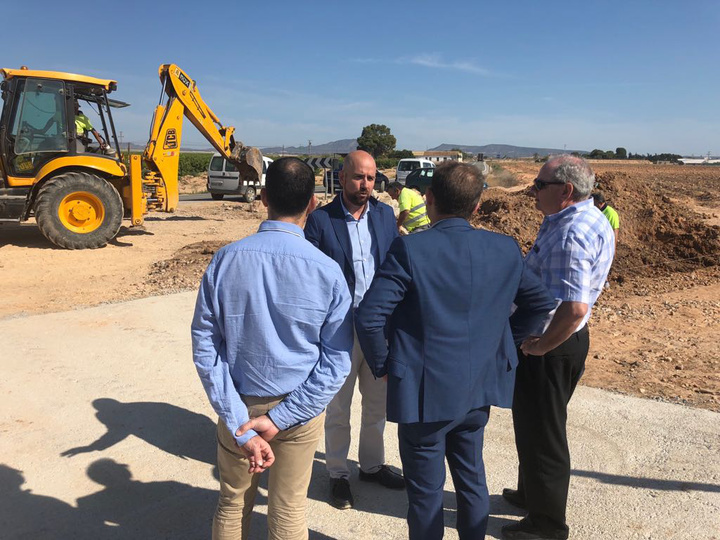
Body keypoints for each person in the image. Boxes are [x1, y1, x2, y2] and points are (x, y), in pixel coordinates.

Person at [355, 161, 556, 539]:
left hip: (423, 396)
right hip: (477, 389)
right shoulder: (505, 249)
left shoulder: (410, 249)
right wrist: (504, 343)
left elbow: (369, 317)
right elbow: (541, 303)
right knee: (472, 480)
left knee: (427, 495)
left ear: (428, 199)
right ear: (478, 206)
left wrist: (382, 365)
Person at [191, 157, 353, 540]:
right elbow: (336, 360)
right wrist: (283, 418)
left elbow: (205, 347)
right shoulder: (328, 272)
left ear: (263, 197)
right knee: (288, 509)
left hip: (240, 406)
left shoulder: (225, 260)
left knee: (232, 504)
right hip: (298, 412)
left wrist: (238, 422)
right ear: (313, 203)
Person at [502, 156, 615, 540]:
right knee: (533, 425)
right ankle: (531, 494)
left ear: (565, 191)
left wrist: (540, 346)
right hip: (554, 340)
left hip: (551, 345)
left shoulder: (572, 233)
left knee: (545, 435)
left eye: (539, 184)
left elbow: (575, 307)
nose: (532, 190)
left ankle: (546, 526)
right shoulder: (579, 218)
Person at [304, 149, 404, 509]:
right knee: (339, 407)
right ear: (342, 178)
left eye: (371, 178)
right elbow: (310, 279)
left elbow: (395, 268)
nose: (365, 185)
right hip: (339, 330)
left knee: (377, 405)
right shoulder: (320, 221)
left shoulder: (384, 215)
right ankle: (338, 474)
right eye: (359, 177)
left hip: (377, 327)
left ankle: (373, 465)